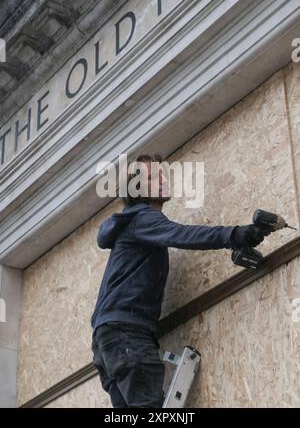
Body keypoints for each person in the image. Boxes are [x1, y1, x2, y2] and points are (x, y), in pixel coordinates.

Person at [91, 154, 266, 408]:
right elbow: (182, 234)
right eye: (152, 177)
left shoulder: (129, 224)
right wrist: (234, 234)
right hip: (128, 335)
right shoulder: (143, 217)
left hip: (107, 343)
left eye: (162, 175)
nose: (162, 180)